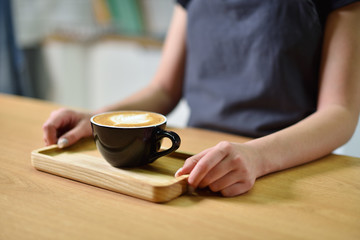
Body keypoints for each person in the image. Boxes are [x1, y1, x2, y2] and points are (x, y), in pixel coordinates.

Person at [43, 0, 360, 197]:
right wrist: (99, 118)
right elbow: (165, 88)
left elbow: (340, 112)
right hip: (197, 165)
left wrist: (257, 157)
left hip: (284, 168)